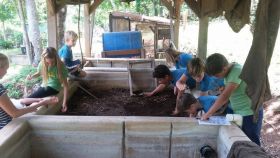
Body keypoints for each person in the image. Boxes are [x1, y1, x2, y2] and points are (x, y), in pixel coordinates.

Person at [201, 53, 263, 146]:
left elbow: (224, 97)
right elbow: (229, 93)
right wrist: (224, 89)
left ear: (224, 68)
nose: (216, 78)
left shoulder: (237, 71)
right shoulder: (230, 71)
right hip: (240, 111)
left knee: (252, 143)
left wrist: (208, 114)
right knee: (241, 140)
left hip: (250, 113)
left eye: (217, 75)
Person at [0, 53, 59, 130]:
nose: (6, 72)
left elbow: (15, 102)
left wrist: (39, 100)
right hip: (5, 127)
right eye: (6, 69)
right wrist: (43, 103)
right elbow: (15, 113)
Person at [21, 47, 69, 112]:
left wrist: (64, 103)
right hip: (44, 86)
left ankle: (23, 110)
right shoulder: (42, 64)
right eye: (48, 62)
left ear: (56, 59)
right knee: (30, 99)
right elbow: (39, 73)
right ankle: (44, 100)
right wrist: (32, 76)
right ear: (44, 59)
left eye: (53, 62)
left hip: (53, 88)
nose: (51, 64)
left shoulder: (61, 66)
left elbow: (66, 86)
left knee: (27, 100)